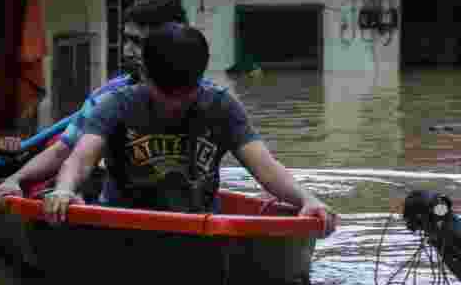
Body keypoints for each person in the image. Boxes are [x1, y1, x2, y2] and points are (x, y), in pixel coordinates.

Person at [42, 22, 338, 236]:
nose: (176, 104)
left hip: (200, 226)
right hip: (124, 227)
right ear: (145, 75)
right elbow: (79, 160)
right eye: (165, 94)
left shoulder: (220, 106)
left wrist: (307, 199)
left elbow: (267, 168)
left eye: (186, 94)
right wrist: (65, 190)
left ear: (200, 77)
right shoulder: (115, 104)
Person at [0, 0, 188, 213]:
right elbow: (68, 155)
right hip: (120, 210)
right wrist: (17, 181)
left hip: (185, 209)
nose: (126, 51)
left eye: (138, 43)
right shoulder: (109, 98)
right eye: (127, 40)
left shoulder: (214, 101)